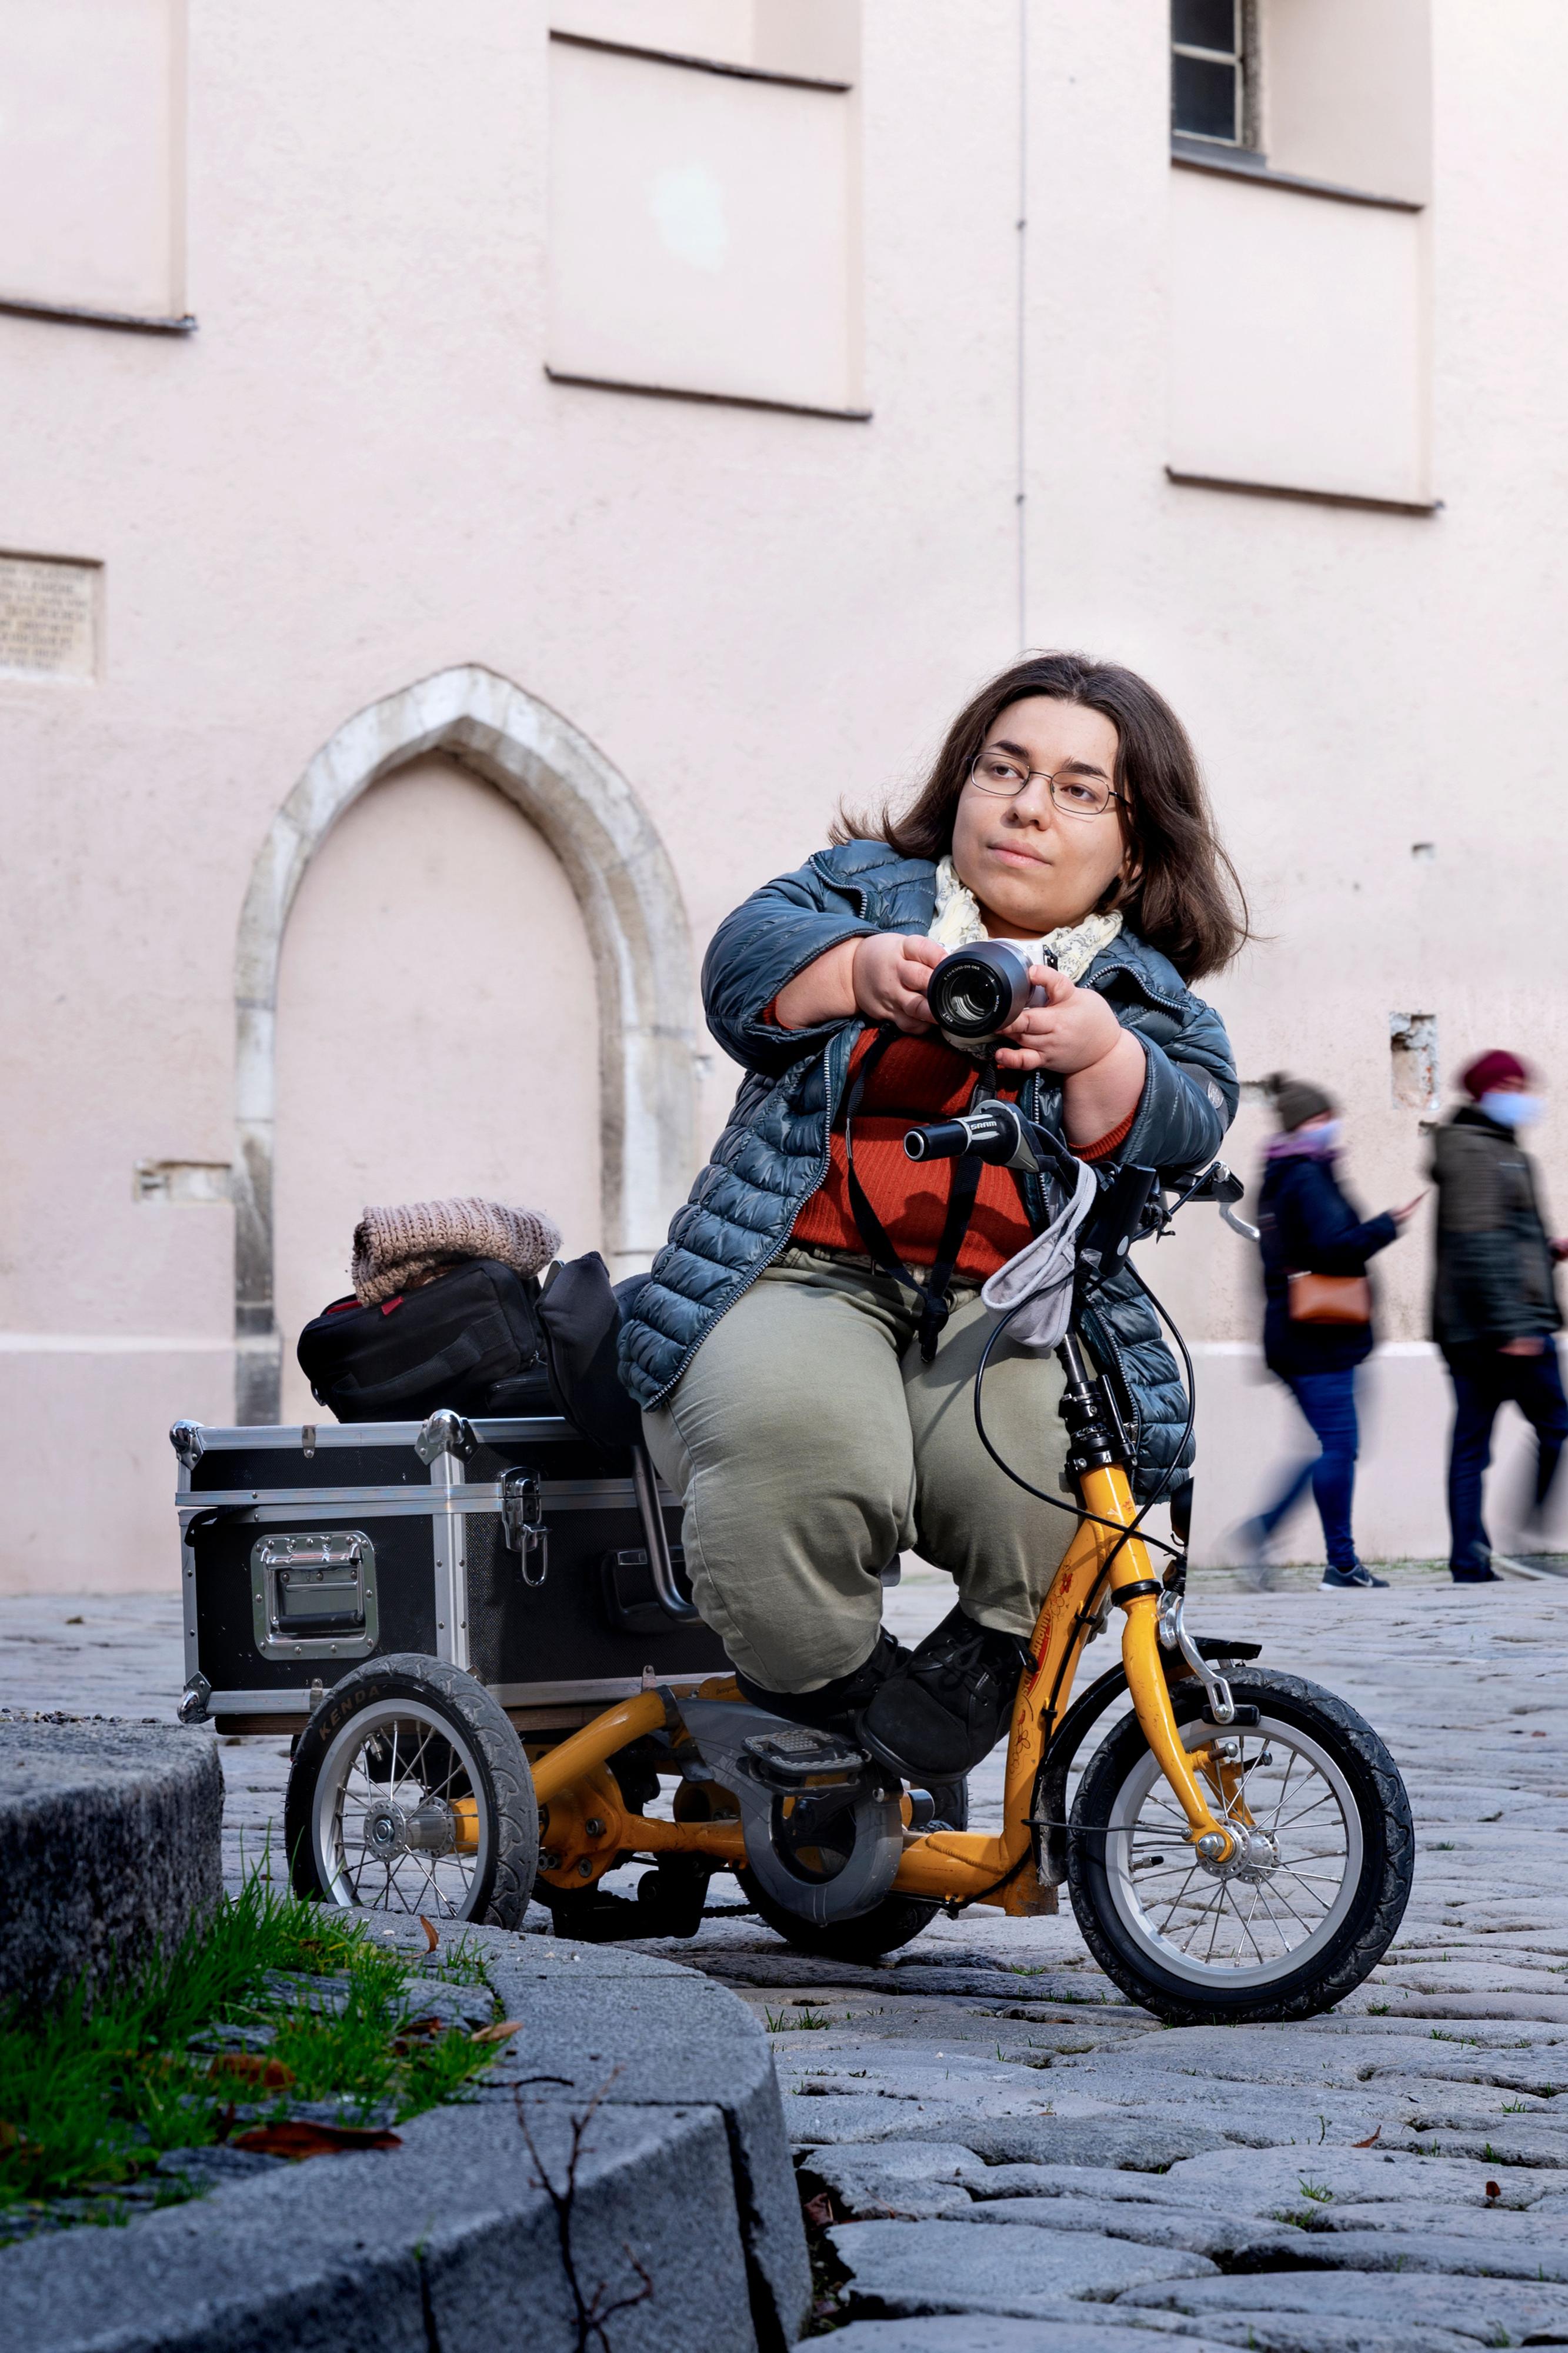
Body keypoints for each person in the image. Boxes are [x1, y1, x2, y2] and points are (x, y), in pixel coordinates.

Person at [618, 652, 1247, 1780]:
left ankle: (979, 1669)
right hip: (797, 1273)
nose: (1026, 808)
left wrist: (1098, 1051)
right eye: (1004, 770)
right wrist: (860, 972)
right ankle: (829, 1700)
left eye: (1077, 788)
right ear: (961, 784)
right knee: (800, 1457)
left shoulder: (1149, 998)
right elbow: (741, 966)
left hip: (1011, 1312)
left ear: (1136, 843)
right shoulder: (856, 890)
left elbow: (1191, 1116)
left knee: (1078, 1489)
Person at [1239, 1078, 1421, 1593]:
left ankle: (1274, 1533)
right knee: (1339, 1448)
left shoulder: (1281, 1174)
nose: (1331, 1128)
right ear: (1304, 1126)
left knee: (1331, 1447)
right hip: (1318, 1339)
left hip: (1301, 1336)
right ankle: (1338, 1562)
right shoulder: (1306, 1176)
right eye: (1322, 1121)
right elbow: (1334, 1247)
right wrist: (1388, 1224)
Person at [1431, 1050, 1568, 1583]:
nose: (1522, 1094)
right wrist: (1512, 1326)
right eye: (1510, 1084)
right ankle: (1521, 1537)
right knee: (1553, 1424)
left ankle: (1472, 1558)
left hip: (1481, 1325)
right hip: (1499, 1329)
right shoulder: (1474, 1150)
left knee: (1472, 1442)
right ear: (1485, 1092)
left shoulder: (1495, 1147)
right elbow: (1478, 1244)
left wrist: (1545, 1248)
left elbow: (1500, 1236)